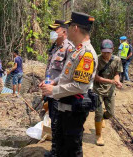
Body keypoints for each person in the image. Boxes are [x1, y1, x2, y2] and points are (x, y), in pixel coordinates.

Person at [40, 12, 97, 157]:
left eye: (70, 25)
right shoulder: (77, 50)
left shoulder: (87, 54)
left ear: (75, 28)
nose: (68, 28)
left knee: (72, 148)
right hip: (64, 106)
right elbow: (66, 75)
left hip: (74, 109)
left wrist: (53, 90)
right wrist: (54, 82)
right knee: (61, 144)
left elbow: (80, 86)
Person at [41, 20, 74, 157]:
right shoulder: (55, 47)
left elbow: (67, 74)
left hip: (61, 93)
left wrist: (53, 84)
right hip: (51, 91)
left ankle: (59, 152)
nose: (52, 33)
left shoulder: (69, 48)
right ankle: (55, 151)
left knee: (60, 123)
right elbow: (51, 69)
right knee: (54, 122)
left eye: (56, 30)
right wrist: (45, 81)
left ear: (64, 32)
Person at [93, 39, 122, 146]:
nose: (106, 54)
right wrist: (111, 81)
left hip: (110, 90)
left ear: (113, 50)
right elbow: (95, 77)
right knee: (98, 113)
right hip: (98, 90)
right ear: (101, 50)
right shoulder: (96, 58)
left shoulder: (117, 60)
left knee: (110, 113)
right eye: (104, 52)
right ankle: (98, 135)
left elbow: (116, 74)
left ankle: (102, 119)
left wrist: (117, 81)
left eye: (108, 52)